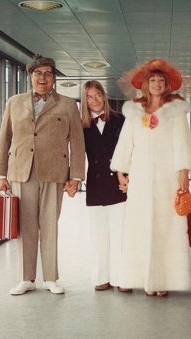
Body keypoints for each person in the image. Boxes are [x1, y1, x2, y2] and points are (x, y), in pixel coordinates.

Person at [0, 54, 85, 295]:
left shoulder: (67, 105)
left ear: (54, 78)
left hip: (54, 172)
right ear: (30, 76)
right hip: (21, 172)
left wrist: (76, 177)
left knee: (49, 225)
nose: (42, 78)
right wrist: (0, 173)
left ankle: (51, 278)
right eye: (38, 73)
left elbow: (77, 142)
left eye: (47, 73)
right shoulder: (14, 102)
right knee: (26, 227)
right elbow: (4, 138)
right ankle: (26, 278)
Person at [111, 59, 191, 297]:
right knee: (137, 226)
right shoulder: (134, 110)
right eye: (153, 80)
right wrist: (121, 170)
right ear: (145, 85)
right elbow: (126, 142)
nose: (157, 84)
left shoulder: (175, 111)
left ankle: (161, 281)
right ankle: (134, 276)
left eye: (161, 80)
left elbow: (182, 143)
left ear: (167, 85)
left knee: (165, 228)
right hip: (140, 178)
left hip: (167, 179)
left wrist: (183, 173)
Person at [80, 80, 130, 293]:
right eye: (89, 97)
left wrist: (127, 176)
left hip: (118, 183)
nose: (94, 101)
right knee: (98, 234)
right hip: (95, 184)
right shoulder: (81, 124)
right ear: (85, 101)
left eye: (98, 95)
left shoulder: (120, 119)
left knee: (120, 233)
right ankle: (101, 276)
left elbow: (130, 150)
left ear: (105, 95)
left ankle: (123, 278)